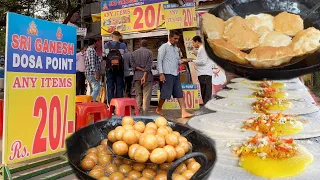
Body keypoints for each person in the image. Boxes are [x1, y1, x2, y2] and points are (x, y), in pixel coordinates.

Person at [157, 30, 193, 118]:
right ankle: (158, 108)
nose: (176, 40)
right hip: (167, 74)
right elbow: (159, 61)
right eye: (175, 38)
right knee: (165, 95)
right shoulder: (163, 47)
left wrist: (185, 60)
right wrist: (161, 74)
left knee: (179, 93)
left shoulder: (176, 49)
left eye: (177, 39)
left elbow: (177, 61)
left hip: (175, 74)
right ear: (170, 37)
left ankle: (184, 112)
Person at [131, 39, 153, 115]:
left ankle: (137, 112)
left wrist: (140, 69)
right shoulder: (150, 52)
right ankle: (145, 113)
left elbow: (133, 65)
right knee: (146, 96)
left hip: (137, 76)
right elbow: (149, 65)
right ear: (146, 45)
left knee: (138, 94)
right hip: (147, 76)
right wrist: (144, 73)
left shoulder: (134, 53)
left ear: (139, 45)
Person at [104, 31, 127, 104]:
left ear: (112, 36)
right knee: (120, 87)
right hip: (119, 69)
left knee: (110, 87)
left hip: (109, 69)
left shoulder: (106, 45)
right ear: (119, 36)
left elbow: (104, 56)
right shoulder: (123, 45)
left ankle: (110, 106)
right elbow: (125, 57)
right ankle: (119, 106)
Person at [189, 35, 213, 104]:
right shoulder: (201, 49)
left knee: (206, 92)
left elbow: (203, 61)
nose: (193, 45)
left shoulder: (202, 49)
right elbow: (201, 58)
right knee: (205, 92)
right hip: (204, 73)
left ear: (197, 41)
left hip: (204, 73)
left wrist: (192, 60)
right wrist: (193, 51)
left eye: (193, 43)